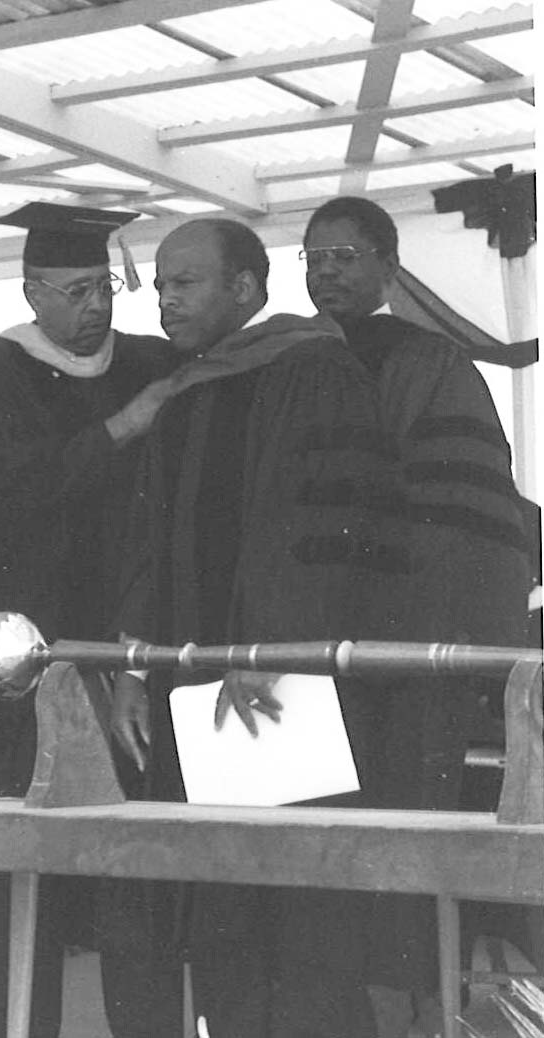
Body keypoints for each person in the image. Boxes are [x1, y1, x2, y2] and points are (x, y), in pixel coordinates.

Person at [108, 217, 407, 1037]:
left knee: (293, 915)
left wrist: (264, 653)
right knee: (221, 913)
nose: (166, 299)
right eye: (161, 284)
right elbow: (149, 542)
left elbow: (314, 532)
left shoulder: (311, 370)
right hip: (187, 687)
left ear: (245, 287)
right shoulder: (185, 391)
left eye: (186, 282)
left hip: (276, 682)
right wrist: (136, 668)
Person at [0, 201, 179, 1038]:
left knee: (149, 877)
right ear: (30, 292)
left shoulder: (152, 362)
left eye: (103, 286)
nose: (93, 307)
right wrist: (114, 434)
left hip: (142, 653)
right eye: (71, 291)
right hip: (33, 666)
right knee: (30, 891)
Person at [302, 196, 532, 1035]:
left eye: (346, 257)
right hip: (307, 648)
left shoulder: (427, 363)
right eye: (314, 258)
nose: (326, 273)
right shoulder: (282, 362)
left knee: (397, 832)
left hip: (398, 651)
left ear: (389, 273)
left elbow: (465, 517)